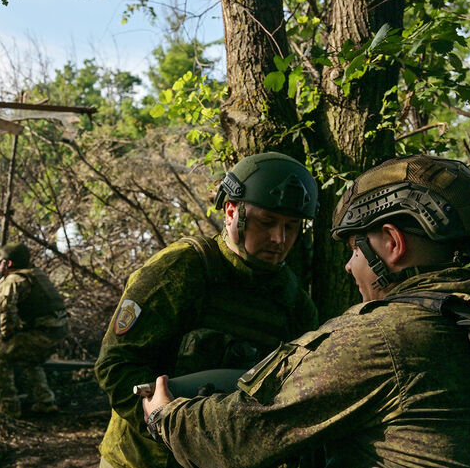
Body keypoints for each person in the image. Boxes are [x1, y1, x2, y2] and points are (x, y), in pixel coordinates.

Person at [142, 155, 470, 467]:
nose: (349, 267)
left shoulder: (382, 336)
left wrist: (165, 416)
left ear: (394, 244)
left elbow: (241, 437)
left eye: (354, 248)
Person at [96, 152, 321, 468]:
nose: (279, 238)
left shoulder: (292, 300)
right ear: (231, 211)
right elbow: (115, 365)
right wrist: (157, 417)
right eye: (267, 222)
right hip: (144, 459)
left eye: (291, 227)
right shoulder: (181, 270)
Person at [0, 242, 68, 418]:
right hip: (58, 331)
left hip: (43, 333)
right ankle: (46, 402)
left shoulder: (11, 281)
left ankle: (9, 407)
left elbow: (7, 313)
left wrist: (5, 337)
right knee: (28, 358)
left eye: (1, 262)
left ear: (8, 263)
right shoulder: (36, 274)